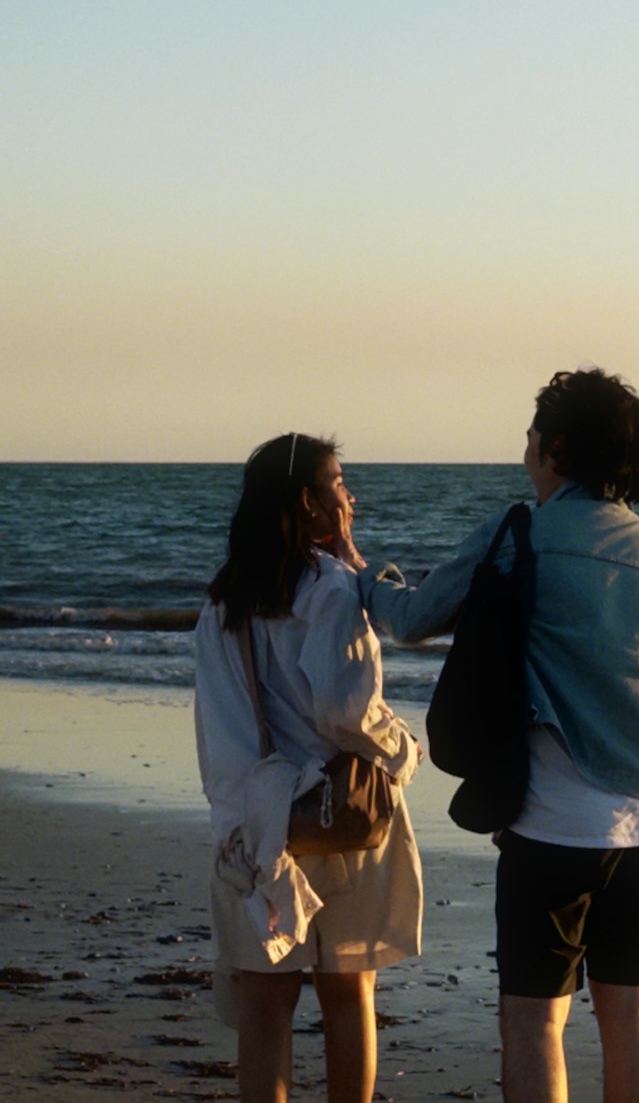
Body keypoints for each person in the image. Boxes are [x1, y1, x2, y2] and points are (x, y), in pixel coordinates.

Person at [350, 369, 639, 1103]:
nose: (524, 448)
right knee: (630, 1014)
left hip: (553, 821)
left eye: (531, 434)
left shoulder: (517, 534)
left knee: (533, 1021)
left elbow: (413, 617)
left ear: (556, 446)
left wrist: (360, 575)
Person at [194, 433, 422, 1103]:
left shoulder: (222, 602)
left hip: (258, 825)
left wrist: (237, 819)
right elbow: (349, 711)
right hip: (336, 815)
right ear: (309, 501)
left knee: (265, 1007)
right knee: (348, 995)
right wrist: (404, 749)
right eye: (339, 483)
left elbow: (218, 728)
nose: (349, 496)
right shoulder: (329, 588)